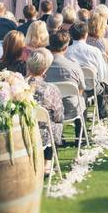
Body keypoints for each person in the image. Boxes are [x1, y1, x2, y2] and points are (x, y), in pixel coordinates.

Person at [25, 48, 64, 176]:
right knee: (55, 124)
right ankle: (47, 163)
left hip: (23, 131)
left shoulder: (19, 86)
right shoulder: (51, 89)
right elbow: (59, 116)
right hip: (44, 133)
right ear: (45, 69)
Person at [46, 30, 87, 128]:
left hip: (49, 108)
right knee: (82, 97)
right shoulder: (73, 66)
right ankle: (80, 136)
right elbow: (81, 88)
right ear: (66, 47)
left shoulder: (43, 66)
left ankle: (59, 137)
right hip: (70, 109)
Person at [67, 21, 108, 88]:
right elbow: (102, 75)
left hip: (72, 87)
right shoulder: (95, 51)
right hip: (92, 88)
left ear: (71, 35)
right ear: (86, 34)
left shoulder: (66, 52)